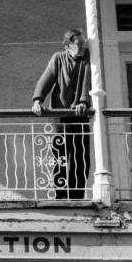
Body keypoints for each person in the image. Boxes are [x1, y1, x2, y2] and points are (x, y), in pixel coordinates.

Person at [32, 28, 92, 199]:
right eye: (78, 44)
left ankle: (77, 195)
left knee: (80, 157)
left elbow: (88, 80)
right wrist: (37, 101)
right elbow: (46, 79)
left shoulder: (88, 57)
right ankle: (61, 195)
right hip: (59, 116)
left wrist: (83, 101)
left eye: (83, 44)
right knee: (61, 157)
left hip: (80, 116)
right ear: (68, 45)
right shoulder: (58, 58)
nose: (82, 48)